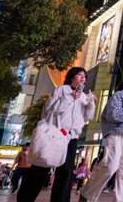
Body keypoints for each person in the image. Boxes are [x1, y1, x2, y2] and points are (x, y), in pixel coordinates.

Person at [18, 67, 97, 202]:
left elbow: (86, 117)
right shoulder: (62, 90)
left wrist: (91, 105)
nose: (83, 78)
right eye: (79, 75)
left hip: (71, 137)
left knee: (65, 172)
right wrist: (70, 98)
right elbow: (50, 109)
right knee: (42, 166)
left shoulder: (83, 96)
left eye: (84, 76)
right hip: (54, 133)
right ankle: (25, 198)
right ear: (71, 77)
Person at [79, 72, 123, 202]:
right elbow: (111, 114)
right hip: (116, 134)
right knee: (110, 165)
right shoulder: (118, 96)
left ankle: (122, 200)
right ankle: (88, 194)